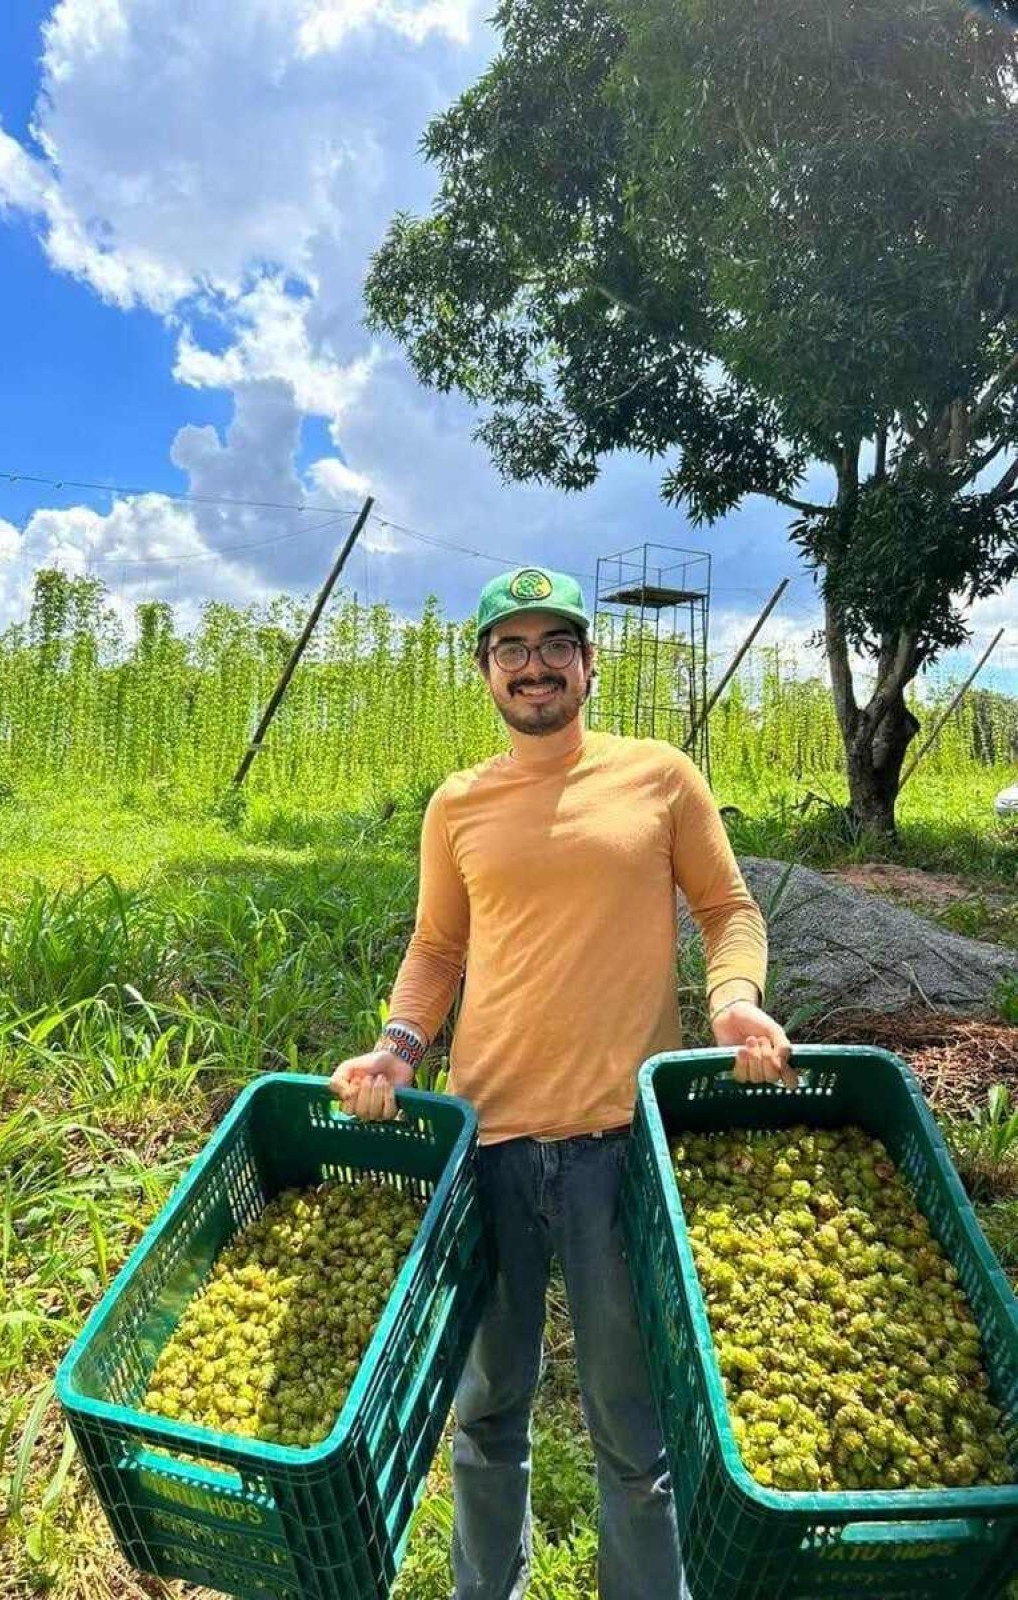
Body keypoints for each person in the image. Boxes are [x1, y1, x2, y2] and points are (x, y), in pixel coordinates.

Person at [329, 565, 794, 1600]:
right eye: (511, 648)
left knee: (634, 1428)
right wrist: (399, 1046)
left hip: (620, 1144)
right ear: (487, 672)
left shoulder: (659, 777)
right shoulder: (458, 804)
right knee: (487, 1414)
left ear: (589, 662)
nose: (533, 666)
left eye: (554, 646)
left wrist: (733, 1002)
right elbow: (438, 947)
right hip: (487, 1140)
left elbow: (728, 909)